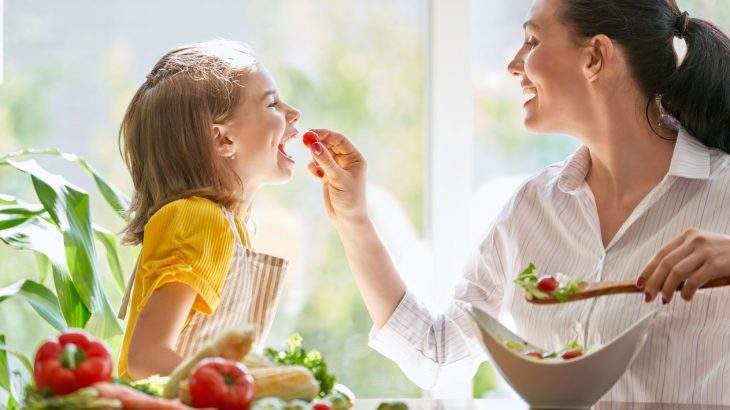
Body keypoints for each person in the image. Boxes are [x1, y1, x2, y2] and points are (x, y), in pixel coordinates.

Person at [303, 0, 730, 403]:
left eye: (532, 42)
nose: (513, 65)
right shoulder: (534, 208)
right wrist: (353, 219)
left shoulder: (723, 192)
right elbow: (438, 353)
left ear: (595, 57)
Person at [116, 40, 301, 380]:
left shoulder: (231, 227)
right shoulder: (198, 219)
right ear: (223, 140)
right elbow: (145, 357)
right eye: (272, 103)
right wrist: (244, 389)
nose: (293, 113)